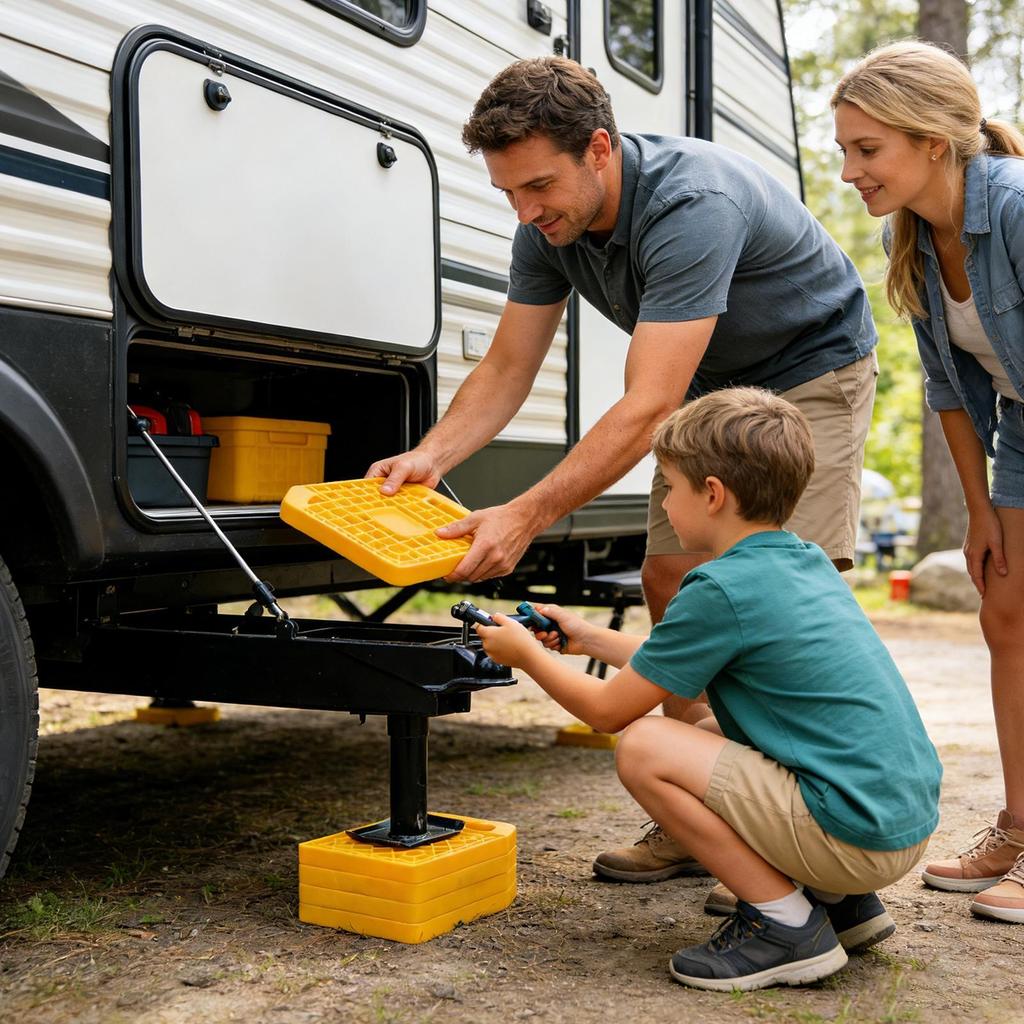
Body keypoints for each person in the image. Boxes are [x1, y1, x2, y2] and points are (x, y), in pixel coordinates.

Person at [368, 56, 879, 879]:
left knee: (774, 594)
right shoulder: (546, 228)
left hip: (810, 369)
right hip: (713, 383)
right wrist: (432, 455)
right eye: (508, 193)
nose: (526, 210)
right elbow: (507, 367)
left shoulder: (690, 203)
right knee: (672, 581)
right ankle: (710, 802)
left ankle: (797, 827)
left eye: (537, 186)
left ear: (599, 149)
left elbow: (647, 407)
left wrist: (525, 515)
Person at [474, 388, 941, 992]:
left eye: (670, 484)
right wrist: (589, 637)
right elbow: (669, 666)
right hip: (892, 820)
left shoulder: (719, 587)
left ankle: (787, 926)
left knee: (646, 746)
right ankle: (841, 902)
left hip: (852, 834)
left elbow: (608, 711)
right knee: (702, 729)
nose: (666, 501)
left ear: (713, 493)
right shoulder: (801, 561)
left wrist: (524, 656)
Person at [833, 41, 1024, 925]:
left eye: (867, 149)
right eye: (844, 149)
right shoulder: (912, 237)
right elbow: (951, 388)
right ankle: (1018, 829)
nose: (851, 170)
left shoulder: (1016, 210)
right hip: (1019, 433)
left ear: (934, 143)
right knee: (1004, 615)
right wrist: (980, 510)